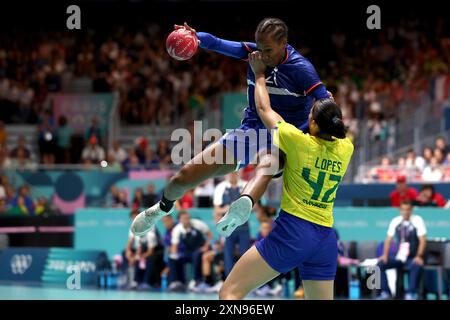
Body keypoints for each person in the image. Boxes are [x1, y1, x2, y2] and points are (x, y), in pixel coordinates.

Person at [131, 17, 332, 238]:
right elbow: (216, 43)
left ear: (284, 43)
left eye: (268, 50)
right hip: (251, 131)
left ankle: (242, 205)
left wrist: (314, 131)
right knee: (184, 177)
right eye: (260, 48)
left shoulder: (301, 69)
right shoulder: (254, 54)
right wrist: (195, 37)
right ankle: (161, 208)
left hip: (286, 135)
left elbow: (325, 105)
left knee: (267, 163)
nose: (262, 55)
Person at [217, 51, 354, 300]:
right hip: (325, 239)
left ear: (311, 125)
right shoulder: (346, 148)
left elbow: (262, 107)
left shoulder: (296, 141)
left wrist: (259, 74)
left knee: (230, 292)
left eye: (311, 116)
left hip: (293, 233)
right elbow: (335, 125)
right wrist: (329, 103)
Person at [377, 200, 427, 300]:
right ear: (400, 210)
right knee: (379, 265)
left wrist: (419, 256)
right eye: (403, 210)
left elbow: (423, 241)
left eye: (407, 210)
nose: (405, 212)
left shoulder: (417, 220)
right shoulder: (395, 221)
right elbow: (388, 240)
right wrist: (385, 255)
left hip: (413, 257)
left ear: (411, 210)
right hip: (400, 257)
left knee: (416, 264)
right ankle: (386, 292)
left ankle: (411, 293)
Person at [213, 171, 250, 277]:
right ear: (226, 174)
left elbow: (254, 206)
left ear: (239, 173)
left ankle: (246, 280)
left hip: (243, 227)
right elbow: (217, 209)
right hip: (227, 227)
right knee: (228, 255)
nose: (233, 174)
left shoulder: (245, 185)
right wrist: (230, 209)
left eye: (235, 173)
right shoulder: (220, 187)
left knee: (245, 255)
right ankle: (228, 280)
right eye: (230, 173)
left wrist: (240, 209)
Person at [168, 210, 213, 291]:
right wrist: (174, 255)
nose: (187, 220)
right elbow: (174, 246)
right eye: (184, 218)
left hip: (200, 249)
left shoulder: (198, 224)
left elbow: (210, 235)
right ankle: (177, 282)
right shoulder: (177, 230)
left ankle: (198, 281)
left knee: (196, 255)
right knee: (173, 258)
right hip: (188, 251)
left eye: (188, 218)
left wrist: (206, 246)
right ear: (180, 220)